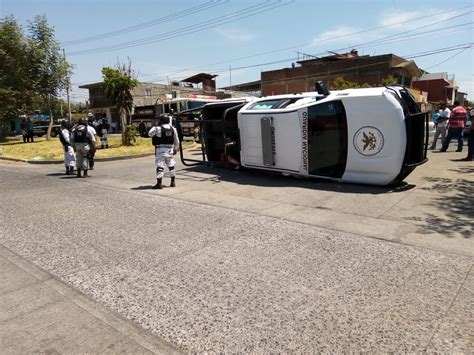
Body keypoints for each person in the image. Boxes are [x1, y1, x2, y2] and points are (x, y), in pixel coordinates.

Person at [148, 114, 179, 189]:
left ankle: (159, 183)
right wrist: (176, 149)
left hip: (160, 149)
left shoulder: (158, 128)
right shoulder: (173, 129)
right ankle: (173, 182)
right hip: (169, 149)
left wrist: (155, 126)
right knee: (171, 165)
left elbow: (150, 134)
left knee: (160, 165)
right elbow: (176, 140)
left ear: (161, 120)